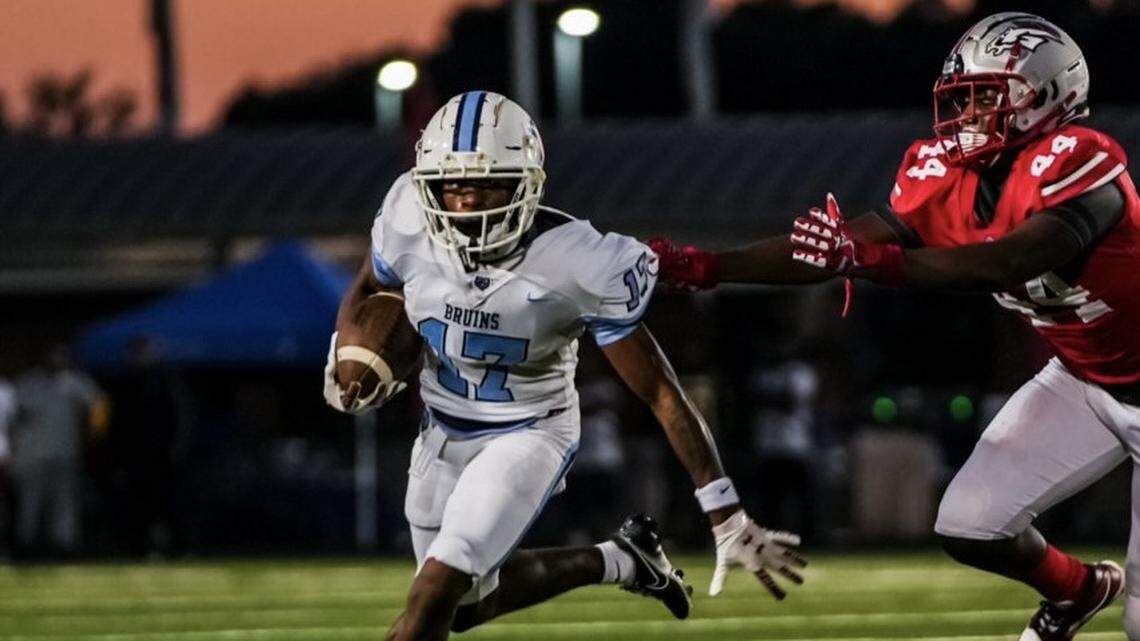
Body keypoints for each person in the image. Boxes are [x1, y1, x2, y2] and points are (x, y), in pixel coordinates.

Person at [649, 12, 1139, 641]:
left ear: (1047, 95)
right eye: (964, 98)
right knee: (970, 523)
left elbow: (1011, 260)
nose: (968, 113)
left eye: (987, 96)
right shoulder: (942, 173)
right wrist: (710, 266)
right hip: (1083, 379)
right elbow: (837, 246)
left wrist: (876, 262)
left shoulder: (1082, 159)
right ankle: (1078, 590)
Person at [323, 91, 806, 641]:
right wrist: (346, 349)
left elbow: (660, 390)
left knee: (435, 589)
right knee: (460, 608)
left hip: (528, 431)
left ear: (527, 185)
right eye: (453, 185)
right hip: (440, 428)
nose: (469, 202)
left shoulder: (581, 261)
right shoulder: (407, 214)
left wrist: (724, 511)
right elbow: (371, 285)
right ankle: (620, 560)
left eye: (488, 185)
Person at [10, 343, 105, 557]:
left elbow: (98, 406)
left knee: (65, 503)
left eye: (62, 356)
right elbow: (13, 418)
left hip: (65, 453)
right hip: (31, 455)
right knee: (30, 503)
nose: (57, 360)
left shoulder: (74, 382)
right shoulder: (27, 383)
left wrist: (93, 437)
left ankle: (64, 547)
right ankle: (26, 547)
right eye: (53, 355)